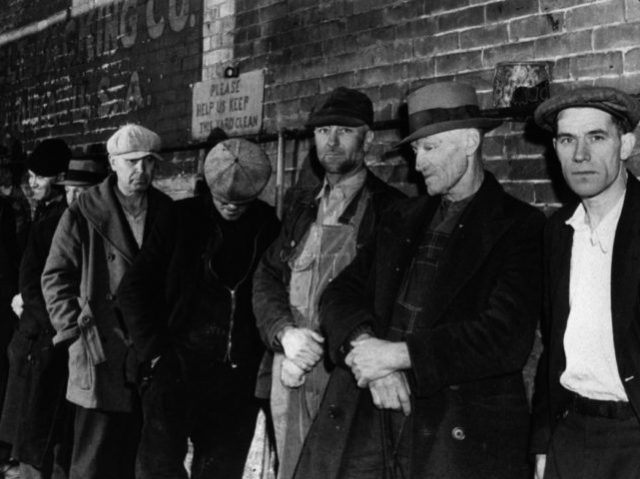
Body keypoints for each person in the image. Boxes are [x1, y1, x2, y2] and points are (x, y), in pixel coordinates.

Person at [291, 82, 545, 479]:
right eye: (415, 150)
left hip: (453, 426)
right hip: (372, 412)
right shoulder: (401, 217)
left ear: (469, 141)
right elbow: (339, 293)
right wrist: (370, 355)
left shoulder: (519, 227)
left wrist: (397, 355)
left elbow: (505, 337)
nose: (418, 163)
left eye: (430, 148)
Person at [252, 86, 404, 479]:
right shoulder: (301, 206)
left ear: (367, 137)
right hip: (293, 366)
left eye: (344, 130)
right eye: (322, 132)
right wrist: (284, 334)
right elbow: (268, 276)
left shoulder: (392, 209)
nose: (331, 141)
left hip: (347, 373)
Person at [117, 138, 280, 478]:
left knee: (220, 470)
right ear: (208, 188)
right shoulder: (180, 218)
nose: (231, 208)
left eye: (242, 202)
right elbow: (133, 288)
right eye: (223, 200)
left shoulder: (267, 225)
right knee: (158, 468)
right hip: (176, 367)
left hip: (235, 380)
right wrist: (155, 353)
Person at [41, 124, 172, 479]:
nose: (140, 171)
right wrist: (74, 331)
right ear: (113, 162)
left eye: (148, 162)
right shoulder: (84, 210)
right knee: (94, 456)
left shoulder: (166, 211)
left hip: (146, 350)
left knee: (138, 455)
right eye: (131, 162)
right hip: (99, 347)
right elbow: (55, 276)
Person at [530, 86, 640, 479]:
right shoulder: (559, 231)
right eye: (566, 140)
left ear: (625, 144)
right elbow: (553, 345)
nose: (580, 155)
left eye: (596, 137)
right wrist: (544, 442)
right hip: (572, 433)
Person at [1, 153, 107, 479]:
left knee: (70, 431)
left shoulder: (105, 228)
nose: (76, 198)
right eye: (71, 191)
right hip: (48, 339)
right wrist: (59, 325)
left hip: (88, 343)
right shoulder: (48, 226)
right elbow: (32, 283)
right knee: (39, 427)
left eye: (83, 191)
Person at [0, 138, 70, 477]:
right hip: (37, 331)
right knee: (31, 427)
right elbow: (30, 277)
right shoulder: (42, 215)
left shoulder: (58, 217)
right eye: (30, 175)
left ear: (58, 177)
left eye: (39, 177)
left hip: (44, 332)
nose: (32, 183)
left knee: (40, 427)